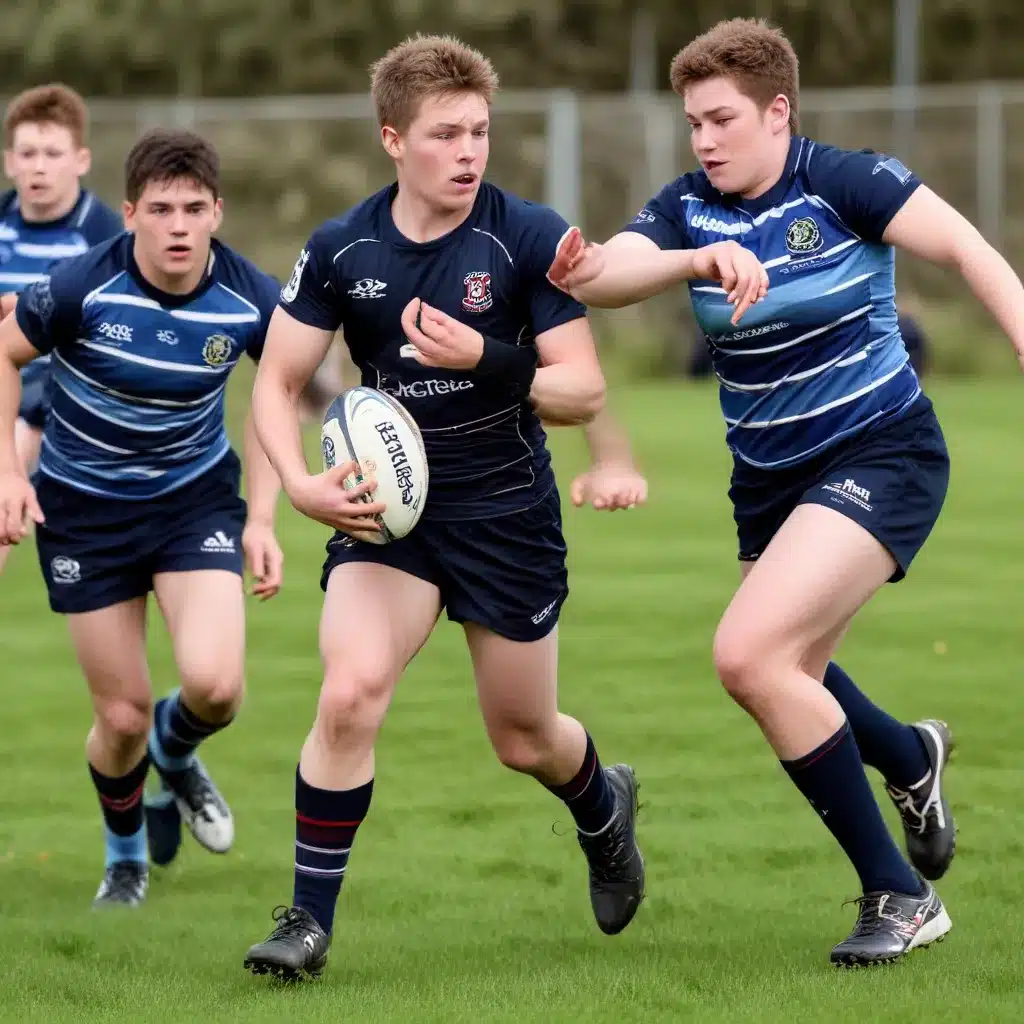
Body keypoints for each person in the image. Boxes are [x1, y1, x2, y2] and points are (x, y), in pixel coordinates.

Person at [547, 16, 1024, 966]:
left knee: (749, 655)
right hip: (768, 482)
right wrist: (587, 266)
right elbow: (610, 273)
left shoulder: (843, 180)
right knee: (790, 672)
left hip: (882, 452)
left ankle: (900, 895)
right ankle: (907, 755)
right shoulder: (689, 207)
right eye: (692, 124)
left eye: (721, 119)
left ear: (777, 111)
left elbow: (970, 250)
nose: (705, 140)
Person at [242, 34, 646, 981]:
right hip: (392, 518)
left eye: (480, 132)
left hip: (506, 513)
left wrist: (488, 361)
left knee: (523, 738)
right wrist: (299, 482)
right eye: (445, 134)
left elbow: (582, 392)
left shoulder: (526, 235)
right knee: (348, 694)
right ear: (393, 139)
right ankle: (306, 921)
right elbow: (278, 378)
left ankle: (603, 806)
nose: (469, 152)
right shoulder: (344, 247)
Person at [0, 128, 284, 908]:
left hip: (191, 503)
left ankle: (176, 749)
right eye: (161, 209)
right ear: (130, 214)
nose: (179, 226)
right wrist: (5, 473)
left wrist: (262, 517)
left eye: (195, 207)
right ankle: (124, 858)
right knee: (119, 714)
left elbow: (279, 391)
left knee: (217, 687)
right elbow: (4, 352)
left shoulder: (249, 296)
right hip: (83, 512)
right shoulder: (82, 284)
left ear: (218, 211)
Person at [0, 84, 123, 573]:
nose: (38, 166)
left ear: (81, 159)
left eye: (53, 153)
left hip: (68, 402)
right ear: (10, 160)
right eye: (28, 153)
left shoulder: (103, 235)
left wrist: (29, 311)